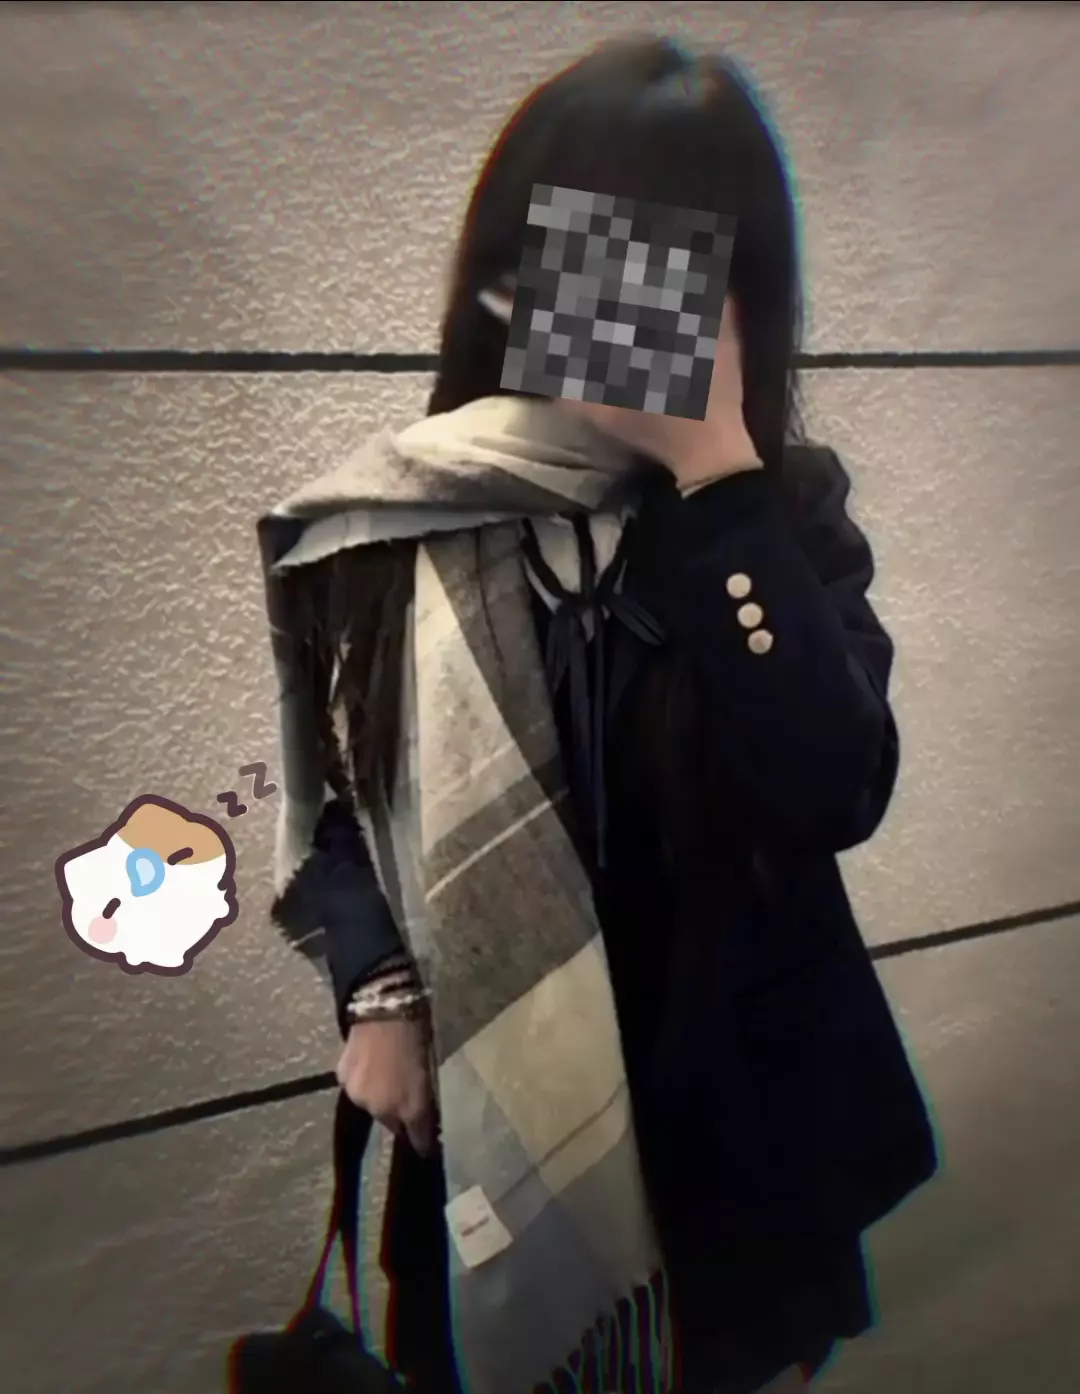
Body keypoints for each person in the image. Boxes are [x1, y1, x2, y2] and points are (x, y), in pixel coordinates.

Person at [259, 35, 938, 1394]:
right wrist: (377, 993)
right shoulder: (389, 523)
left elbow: (834, 786)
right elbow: (339, 797)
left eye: (677, 273)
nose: (624, 313)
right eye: (587, 262)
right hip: (496, 1133)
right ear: (513, 275)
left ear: (739, 297)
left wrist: (715, 475)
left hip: (741, 1165)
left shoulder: (778, 516)